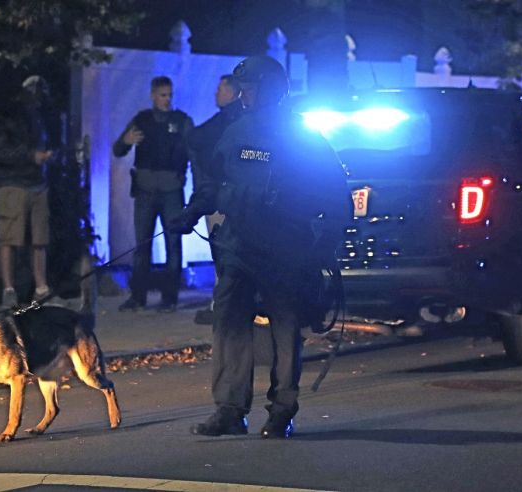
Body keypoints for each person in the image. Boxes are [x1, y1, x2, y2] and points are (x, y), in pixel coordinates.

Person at [169, 56, 351, 438]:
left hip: (285, 249)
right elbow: (213, 183)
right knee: (229, 322)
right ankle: (230, 410)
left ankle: (282, 410)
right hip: (238, 246)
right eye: (241, 88)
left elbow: (337, 198)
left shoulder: (303, 137)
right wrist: (189, 212)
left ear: (270, 89)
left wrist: (321, 249)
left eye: (249, 88)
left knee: (285, 330)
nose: (243, 95)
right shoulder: (236, 131)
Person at [112, 76, 194, 313]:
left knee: (173, 244)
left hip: (171, 191)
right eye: (162, 95)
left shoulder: (182, 121)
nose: (167, 100)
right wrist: (126, 141)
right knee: (142, 246)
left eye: (170, 95)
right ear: (153, 95)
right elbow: (118, 149)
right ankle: (138, 297)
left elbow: (194, 152)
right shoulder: (142, 120)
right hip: (146, 191)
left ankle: (170, 298)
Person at [0, 75, 55, 308]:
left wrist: (45, 157)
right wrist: (30, 156)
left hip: (37, 183)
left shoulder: (38, 117)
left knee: (40, 238)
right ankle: (9, 290)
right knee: (9, 238)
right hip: (12, 183)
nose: (38, 98)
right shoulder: (5, 118)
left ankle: (41, 288)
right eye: (35, 93)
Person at [187, 74, 243, 325]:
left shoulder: (228, 121)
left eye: (221, 88)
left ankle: (224, 304)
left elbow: (197, 140)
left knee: (224, 253)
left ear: (233, 92)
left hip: (223, 198)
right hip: (225, 196)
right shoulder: (232, 119)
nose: (216, 93)